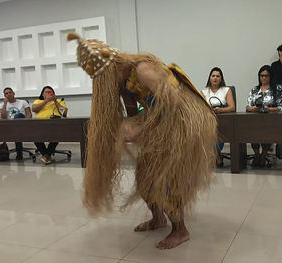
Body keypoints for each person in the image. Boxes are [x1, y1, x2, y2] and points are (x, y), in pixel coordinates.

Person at [67, 32, 217, 249]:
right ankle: (158, 218)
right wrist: (126, 127)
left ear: (111, 66)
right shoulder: (123, 79)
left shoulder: (143, 70)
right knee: (144, 174)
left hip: (182, 120)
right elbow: (131, 111)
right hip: (160, 121)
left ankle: (180, 230)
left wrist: (144, 128)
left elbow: (173, 104)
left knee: (163, 176)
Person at [246, 65, 282, 167]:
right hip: (255, 120)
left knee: (267, 130)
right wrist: (253, 108)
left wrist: (270, 109)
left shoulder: (277, 89)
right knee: (251, 130)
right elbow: (248, 107)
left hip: (272, 120)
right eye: (261, 76)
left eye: (266, 76)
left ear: (270, 76)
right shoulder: (254, 89)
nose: (263, 78)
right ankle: (256, 154)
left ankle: (263, 155)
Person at [202, 67, 235, 167]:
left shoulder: (226, 90)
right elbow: (200, 107)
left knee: (217, 131)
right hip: (208, 120)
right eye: (213, 76)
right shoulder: (204, 91)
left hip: (223, 120)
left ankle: (217, 155)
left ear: (221, 78)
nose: (215, 78)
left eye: (217, 76)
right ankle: (217, 155)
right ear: (209, 78)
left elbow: (232, 107)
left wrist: (220, 110)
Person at [31, 86, 68, 164]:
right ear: (42, 94)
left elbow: (64, 113)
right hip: (40, 125)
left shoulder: (59, 101)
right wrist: (46, 101)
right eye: (46, 92)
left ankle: (46, 156)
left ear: (53, 94)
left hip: (55, 125)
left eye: (50, 92)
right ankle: (47, 155)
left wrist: (55, 101)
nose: (48, 93)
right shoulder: (38, 101)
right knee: (35, 137)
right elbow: (34, 109)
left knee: (56, 135)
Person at [0, 87, 32, 160]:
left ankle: (19, 153)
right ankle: (19, 153)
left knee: (18, 116)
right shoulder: (2, 105)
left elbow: (29, 115)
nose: (8, 94)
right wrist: (5, 104)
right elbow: (3, 117)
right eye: (6, 93)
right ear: (4, 96)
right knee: (16, 128)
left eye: (10, 92)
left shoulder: (23, 102)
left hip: (22, 124)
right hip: (9, 126)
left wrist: (27, 124)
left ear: (13, 93)